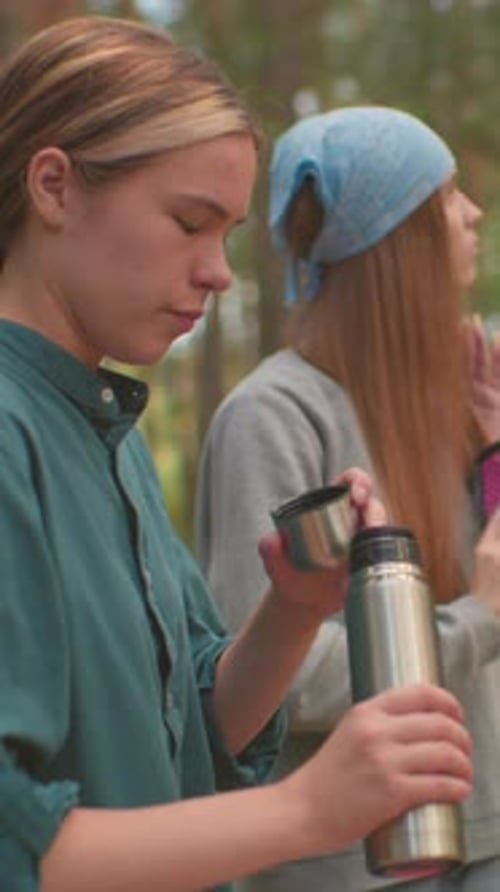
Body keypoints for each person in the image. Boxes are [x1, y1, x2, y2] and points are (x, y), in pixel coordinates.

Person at [0, 19, 481, 892]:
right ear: (54, 186)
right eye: (190, 223)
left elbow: (199, 732)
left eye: (227, 233)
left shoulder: (106, 426)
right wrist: (306, 813)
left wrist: (294, 610)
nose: (221, 273)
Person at [195, 106, 500, 891]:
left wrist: (495, 447)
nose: (473, 214)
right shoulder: (274, 417)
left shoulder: (443, 403)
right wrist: (477, 623)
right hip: (351, 870)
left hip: (477, 838)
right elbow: (278, 684)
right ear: (396, 245)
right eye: (447, 198)